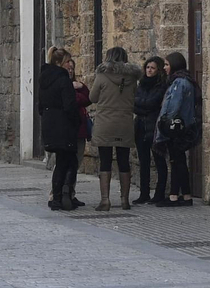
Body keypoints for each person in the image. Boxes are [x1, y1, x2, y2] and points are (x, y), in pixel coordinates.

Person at [88, 46, 141, 212]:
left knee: (105, 161)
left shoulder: (102, 75)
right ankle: (125, 200)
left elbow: (92, 97)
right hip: (124, 122)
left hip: (105, 123)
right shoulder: (132, 77)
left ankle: (105, 201)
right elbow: (135, 97)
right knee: (124, 160)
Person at [154, 51, 200, 206]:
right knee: (179, 160)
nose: (165, 68)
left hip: (176, 128)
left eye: (167, 64)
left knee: (176, 160)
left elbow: (174, 105)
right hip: (183, 126)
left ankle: (174, 195)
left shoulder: (179, 83)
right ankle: (185, 194)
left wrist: (165, 122)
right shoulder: (184, 80)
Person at [38, 46, 79, 210]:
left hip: (50, 123)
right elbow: (69, 105)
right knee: (68, 161)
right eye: (68, 61)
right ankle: (63, 195)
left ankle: (58, 196)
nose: (70, 64)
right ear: (60, 62)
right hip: (63, 124)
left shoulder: (44, 79)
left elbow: (40, 105)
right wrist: (76, 121)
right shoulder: (63, 80)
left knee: (62, 161)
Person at [133, 56, 168, 205]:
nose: (149, 70)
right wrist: (142, 105)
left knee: (159, 160)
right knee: (143, 161)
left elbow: (152, 103)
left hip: (154, 127)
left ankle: (160, 193)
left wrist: (142, 105)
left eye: (152, 68)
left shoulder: (161, 85)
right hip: (140, 126)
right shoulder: (141, 84)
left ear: (158, 70)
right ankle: (144, 193)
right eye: (147, 67)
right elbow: (133, 103)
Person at [64, 55, 90, 208]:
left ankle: (71, 193)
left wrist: (81, 87)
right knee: (64, 164)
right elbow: (76, 101)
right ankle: (58, 193)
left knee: (76, 163)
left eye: (72, 69)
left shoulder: (76, 85)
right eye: (68, 68)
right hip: (67, 130)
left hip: (79, 130)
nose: (70, 71)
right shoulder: (62, 86)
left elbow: (88, 98)